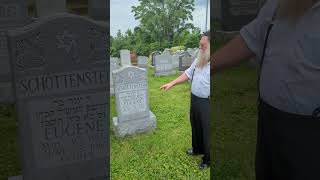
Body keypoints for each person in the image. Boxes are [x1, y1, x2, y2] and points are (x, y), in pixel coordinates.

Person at [211, 0, 320, 179]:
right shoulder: (279, 5)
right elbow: (249, 39)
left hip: (309, 134)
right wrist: (205, 68)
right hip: (270, 123)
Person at [160, 31, 211, 170]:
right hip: (195, 99)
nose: (200, 48)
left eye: (203, 46)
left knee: (208, 131)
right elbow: (187, 74)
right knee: (195, 125)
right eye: (200, 45)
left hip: (208, 102)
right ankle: (197, 149)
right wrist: (171, 83)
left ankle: (208, 159)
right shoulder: (200, 59)